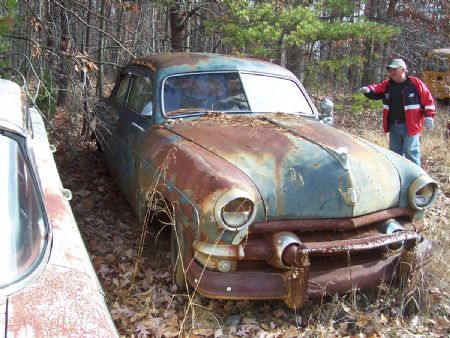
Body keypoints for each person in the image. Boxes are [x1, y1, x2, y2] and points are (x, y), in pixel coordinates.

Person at [360, 59, 436, 166]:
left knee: (410, 150)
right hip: (394, 125)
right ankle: (399, 177)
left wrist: (429, 117)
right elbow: (377, 89)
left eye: (395, 69)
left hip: (411, 126)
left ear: (403, 69)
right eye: (390, 69)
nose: (392, 71)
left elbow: (428, 100)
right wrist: (368, 90)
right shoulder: (387, 85)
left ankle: (417, 178)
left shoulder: (415, 83)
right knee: (394, 154)